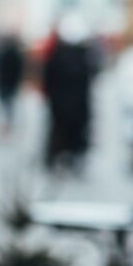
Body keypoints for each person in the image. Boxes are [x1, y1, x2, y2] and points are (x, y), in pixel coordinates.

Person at [42, 17, 97, 172]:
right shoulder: (82, 58)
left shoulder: (59, 56)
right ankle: (68, 158)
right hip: (73, 106)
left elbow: (49, 80)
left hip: (63, 105)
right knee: (70, 134)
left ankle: (59, 158)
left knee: (62, 133)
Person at [0, 35, 25, 133]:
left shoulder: (4, 54)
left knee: (3, 104)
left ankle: (1, 124)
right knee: (8, 106)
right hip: (10, 84)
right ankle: (6, 124)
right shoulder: (16, 55)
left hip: (4, 83)